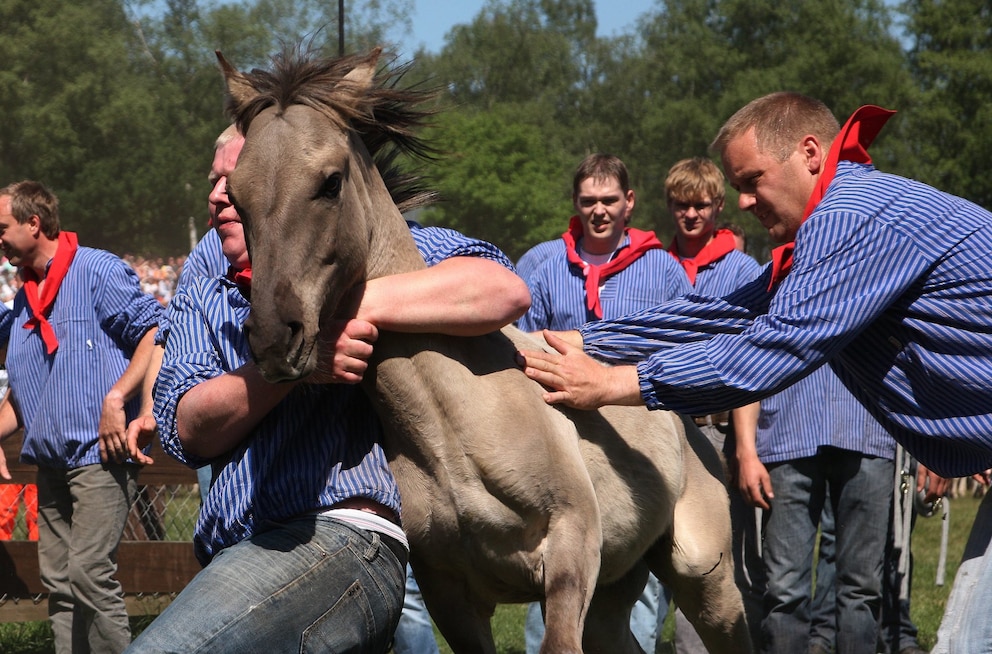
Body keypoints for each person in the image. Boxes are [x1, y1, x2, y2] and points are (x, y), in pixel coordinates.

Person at [517, 91, 990, 653]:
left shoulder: (852, 216)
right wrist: (588, 340)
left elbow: (773, 346)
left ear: (810, 152)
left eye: (751, 180)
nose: (741, 201)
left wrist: (617, 383)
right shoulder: (837, 219)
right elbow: (723, 311)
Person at [124, 130, 530, 653]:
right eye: (214, 179)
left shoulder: (349, 250)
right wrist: (296, 365)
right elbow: (188, 432)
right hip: (234, 553)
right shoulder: (209, 268)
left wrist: (346, 307)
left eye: (236, 179)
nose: (218, 193)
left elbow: (502, 288)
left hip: (341, 534)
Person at [517, 153, 691, 654]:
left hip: (642, 442)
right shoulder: (543, 263)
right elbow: (522, 350)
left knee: (636, 574)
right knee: (552, 566)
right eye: (589, 201)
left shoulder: (662, 268)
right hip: (561, 442)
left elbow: (682, 346)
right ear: (575, 202)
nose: (599, 210)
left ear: (629, 202)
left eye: (609, 200)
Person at [0, 180, 162, 653]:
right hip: (50, 463)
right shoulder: (24, 298)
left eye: (1, 227)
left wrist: (120, 399)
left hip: (100, 456)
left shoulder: (95, 269)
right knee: (59, 580)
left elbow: (151, 334)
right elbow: (27, 396)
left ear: (34, 223)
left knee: (89, 572)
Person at [664, 158, 764, 652]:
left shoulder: (744, 270)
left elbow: (753, 359)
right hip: (663, 422)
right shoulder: (654, 264)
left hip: (719, 427)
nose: (690, 214)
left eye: (700, 205)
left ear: (719, 207)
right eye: (681, 205)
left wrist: (743, 446)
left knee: (707, 556)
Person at [735, 365, 897, 654]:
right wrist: (745, 449)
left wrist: (928, 445)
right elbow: (750, 355)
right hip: (787, 431)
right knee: (785, 590)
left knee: (862, 589)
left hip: (868, 429)